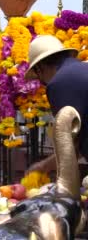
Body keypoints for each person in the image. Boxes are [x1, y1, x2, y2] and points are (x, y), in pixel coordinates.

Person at [25, 35, 85, 174]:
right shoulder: (82, 69)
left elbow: (70, 145)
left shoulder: (59, 83)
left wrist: (42, 167)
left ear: (40, 68)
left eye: (39, 79)